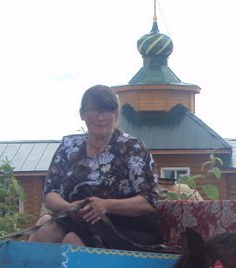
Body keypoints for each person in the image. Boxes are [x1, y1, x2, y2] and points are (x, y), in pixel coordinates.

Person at [29, 85, 162, 250]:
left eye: (108, 111)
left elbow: (149, 200)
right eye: (95, 111)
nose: (101, 117)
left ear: (116, 114)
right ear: (82, 113)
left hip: (124, 227)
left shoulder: (131, 147)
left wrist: (106, 205)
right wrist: (68, 208)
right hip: (76, 220)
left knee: (73, 240)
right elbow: (50, 193)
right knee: (44, 231)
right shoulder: (69, 146)